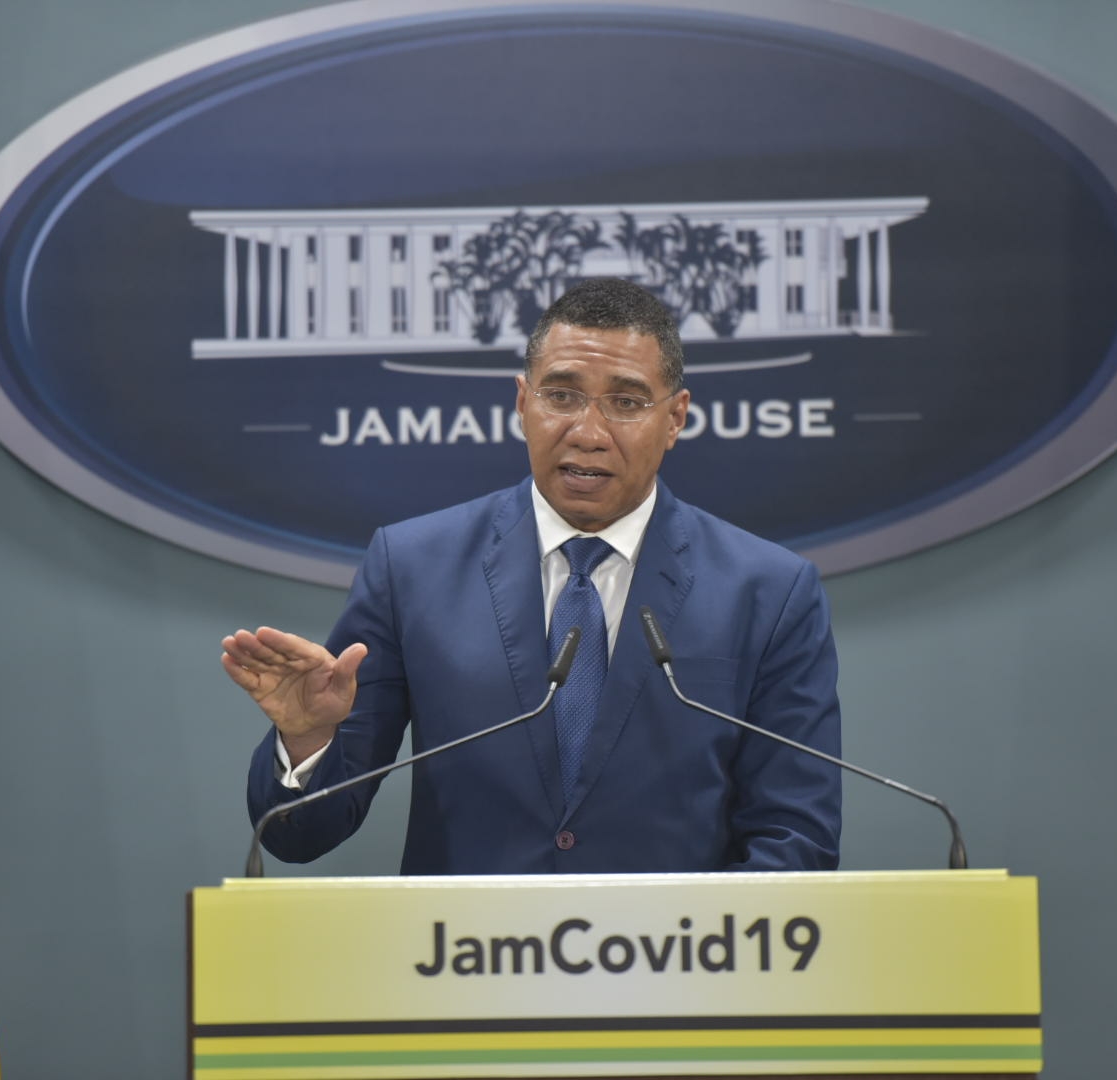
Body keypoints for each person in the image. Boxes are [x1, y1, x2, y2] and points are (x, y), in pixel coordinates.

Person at [223, 277, 841, 874]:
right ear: (523, 403)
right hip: (466, 964)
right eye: (562, 396)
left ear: (675, 418)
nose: (588, 433)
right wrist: (308, 742)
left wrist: (689, 951)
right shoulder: (411, 567)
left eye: (625, 403)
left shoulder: (769, 592)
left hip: (682, 964)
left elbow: (796, 839)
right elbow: (300, 835)